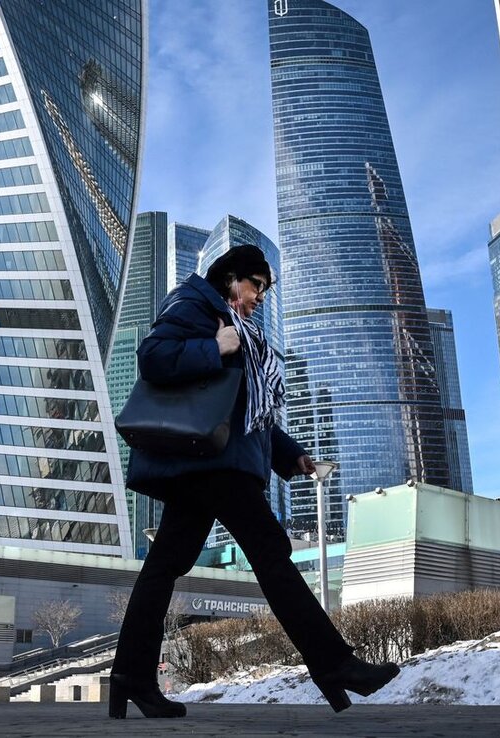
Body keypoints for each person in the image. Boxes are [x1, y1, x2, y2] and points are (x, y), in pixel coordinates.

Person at [109, 245, 400, 719]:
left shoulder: (235, 324)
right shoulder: (196, 305)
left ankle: (131, 676)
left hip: (208, 466)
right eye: (257, 286)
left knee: (164, 566)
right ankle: (335, 665)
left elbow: (244, 410)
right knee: (270, 551)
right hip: (212, 466)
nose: (260, 297)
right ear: (231, 279)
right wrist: (214, 347)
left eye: (264, 290)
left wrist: (292, 457)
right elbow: (153, 357)